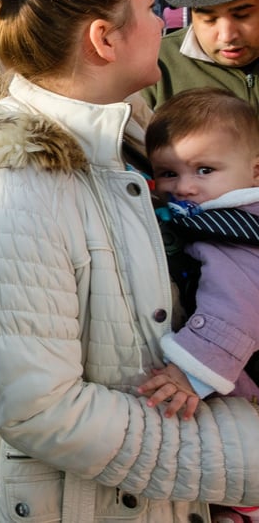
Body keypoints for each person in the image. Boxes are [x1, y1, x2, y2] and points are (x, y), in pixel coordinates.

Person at [0, 0, 259, 522]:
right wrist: (244, 454)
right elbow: (41, 410)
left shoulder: (127, 141)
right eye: (150, 8)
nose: (163, 22)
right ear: (104, 38)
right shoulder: (6, 187)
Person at [142, 87, 259, 523]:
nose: (184, 187)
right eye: (167, 173)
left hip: (238, 379)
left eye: (204, 169)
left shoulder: (231, 229)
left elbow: (238, 305)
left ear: (255, 172)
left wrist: (191, 373)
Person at [142, 0, 259, 111]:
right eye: (209, 19)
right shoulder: (155, 65)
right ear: (192, 15)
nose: (227, 36)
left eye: (241, 15)